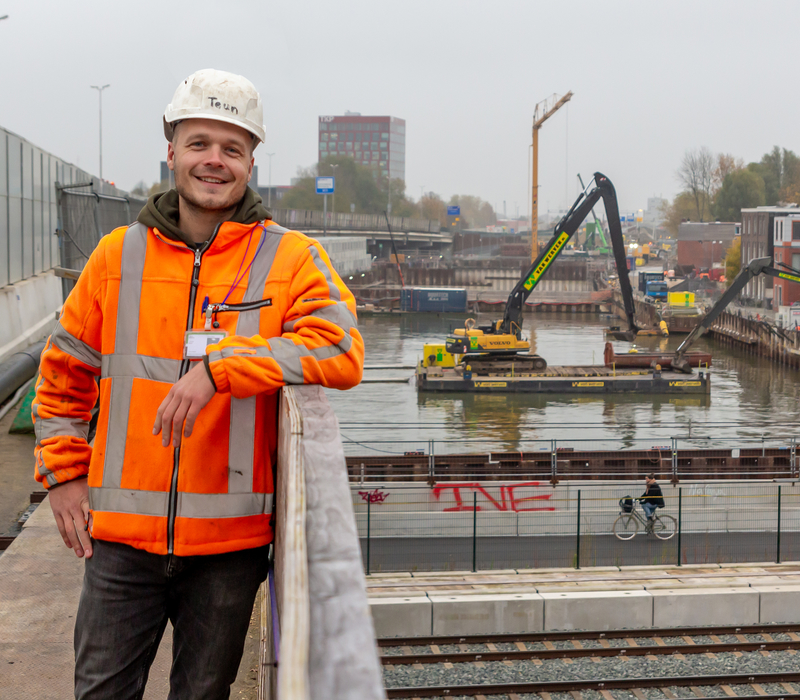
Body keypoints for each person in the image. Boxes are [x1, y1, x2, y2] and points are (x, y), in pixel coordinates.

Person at [32, 69, 364, 699]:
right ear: (172, 151)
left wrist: (223, 368)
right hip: (119, 542)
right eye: (199, 143)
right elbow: (62, 376)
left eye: (232, 148)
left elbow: (343, 350)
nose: (215, 160)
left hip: (229, 551)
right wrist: (64, 476)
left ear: (251, 162)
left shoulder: (290, 259)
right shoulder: (116, 257)